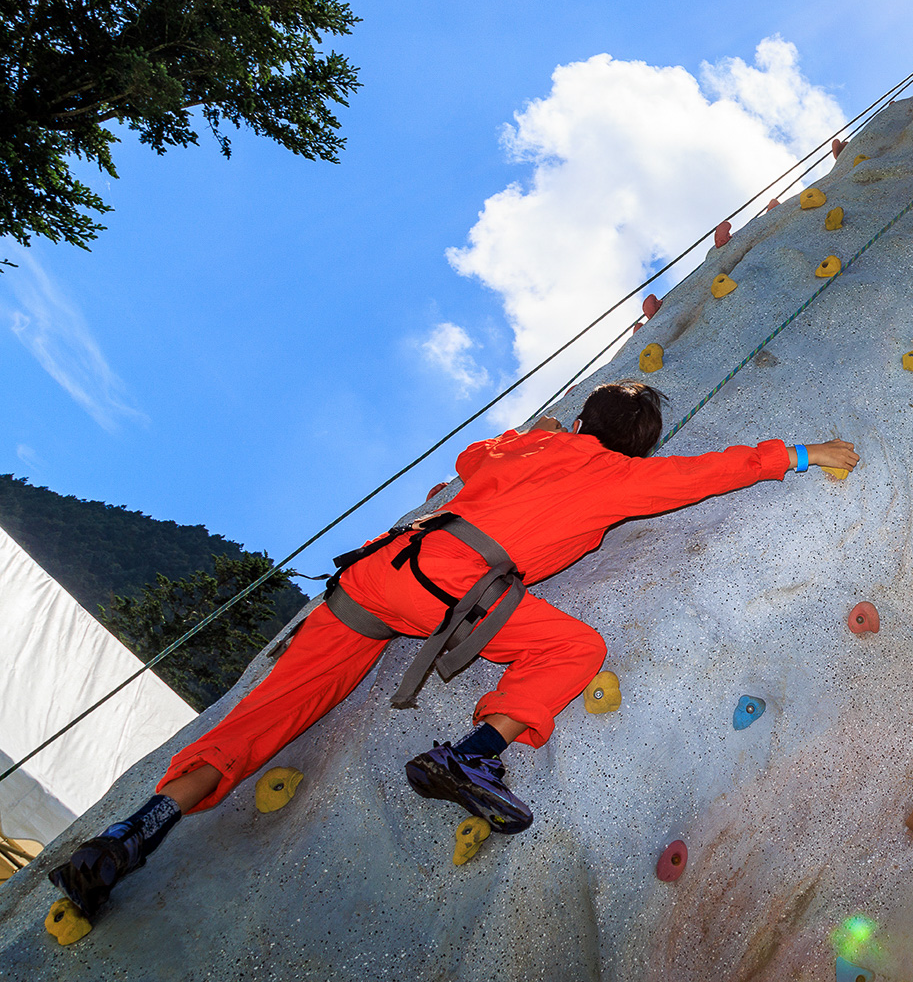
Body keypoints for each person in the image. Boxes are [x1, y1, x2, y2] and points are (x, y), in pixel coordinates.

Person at [49, 380, 859, 921]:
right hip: (448, 596)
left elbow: (472, 459)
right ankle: (475, 753)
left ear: (582, 421)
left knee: (273, 712)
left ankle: (135, 831)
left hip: (370, 580)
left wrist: (544, 438)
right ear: (636, 448)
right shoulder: (618, 477)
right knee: (575, 646)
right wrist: (802, 453)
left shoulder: (515, 449)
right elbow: (711, 474)